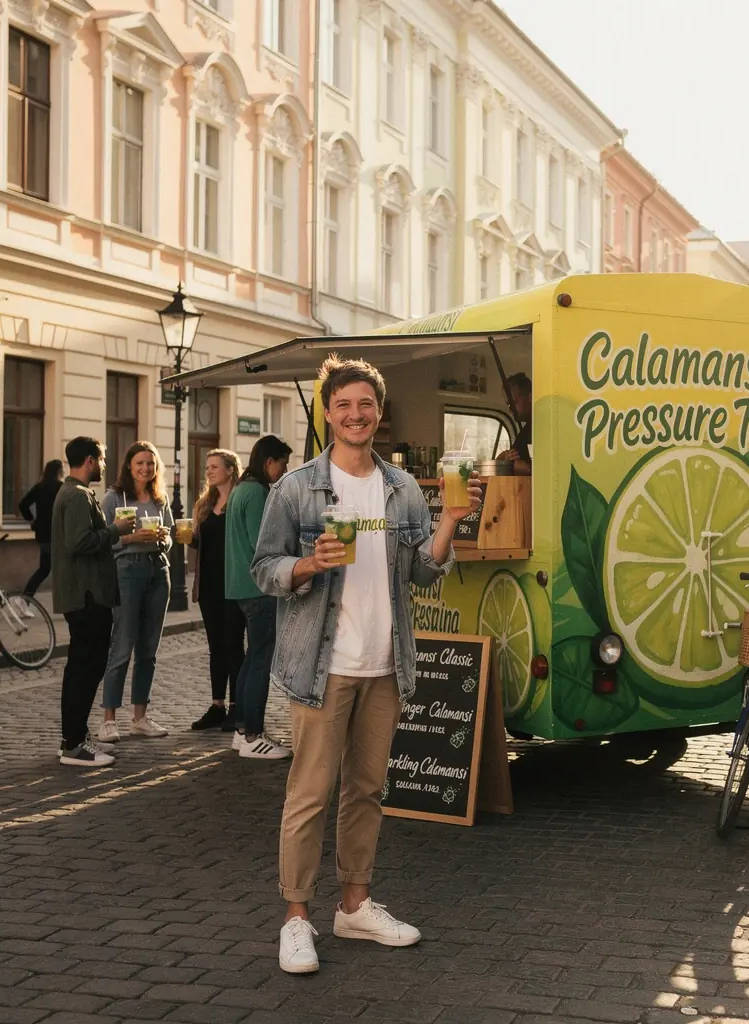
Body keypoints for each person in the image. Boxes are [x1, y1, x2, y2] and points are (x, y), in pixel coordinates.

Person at [252, 354, 482, 975]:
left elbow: (420, 570)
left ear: (379, 414)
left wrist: (451, 523)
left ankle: (354, 905)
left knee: (367, 791)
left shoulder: (401, 488)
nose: (356, 415)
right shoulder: (297, 487)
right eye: (344, 405)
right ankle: (296, 918)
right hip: (322, 668)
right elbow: (264, 569)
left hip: (384, 662)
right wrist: (306, 565)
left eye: (366, 405)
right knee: (308, 795)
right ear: (329, 413)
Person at [51, 437, 134, 766]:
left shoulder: (77, 493)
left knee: (82, 667)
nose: (103, 465)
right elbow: (78, 542)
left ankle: (73, 736)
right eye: (100, 459)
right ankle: (73, 744)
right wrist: (115, 530)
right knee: (85, 668)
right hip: (87, 596)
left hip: (87, 594)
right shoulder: (75, 495)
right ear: (88, 460)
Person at [97, 441, 173, 742]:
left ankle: (140, 717)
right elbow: (102, 540)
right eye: (140, 463)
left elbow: (168, 538)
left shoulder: (159, 497)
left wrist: (164, 538)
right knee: (122, 645)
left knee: (149, 650)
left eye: (151, 464)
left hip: (158, 569)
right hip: (127, 571)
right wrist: (129, 538)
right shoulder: (114, 498)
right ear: (129, 465)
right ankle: (108, 719)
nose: (145, 468)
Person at [226, 434, 293, 759]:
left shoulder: (241, 488)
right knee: (260, 662)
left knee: (252, 658)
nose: (284, 471)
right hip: (259, 587)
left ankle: (242, 730)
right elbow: (262, 543)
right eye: (282, 464)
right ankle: (253, 734)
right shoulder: (256, 492)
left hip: (242, 585)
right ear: (269, 462)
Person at [190, 449, 246, 732]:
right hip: (210, 586)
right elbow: (202, 544)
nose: (209, 471)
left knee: (234, 645)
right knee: (215, 647)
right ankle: (217, 705)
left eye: (215, 467)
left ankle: (238, 707)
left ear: (230, 470)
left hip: (234, 584)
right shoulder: (205, 503)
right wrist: (190, 539)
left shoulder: (239, 501)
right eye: (207, 467)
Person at [15, 458, 65, 614]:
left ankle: (25, 599)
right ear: (59, 472)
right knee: (58, 569)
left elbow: (23, 504)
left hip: (43, 534)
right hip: (57, 535)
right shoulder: (61, 488)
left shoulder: (39, 487)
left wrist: (31, 520)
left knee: (46, 568)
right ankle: (25, 599)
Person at [496, 372, 531, 475]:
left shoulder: (545, 430)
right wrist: (504, 458)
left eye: (514, 403)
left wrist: (522, 467)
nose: (511, 411)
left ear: (530, 397)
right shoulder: (524, 434)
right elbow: (513, 457)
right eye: (509, 406)